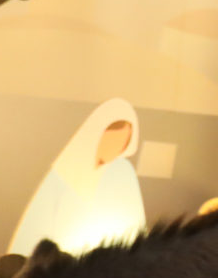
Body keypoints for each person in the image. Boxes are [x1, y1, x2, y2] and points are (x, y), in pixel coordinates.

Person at [9, 97, 146, 254]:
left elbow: (135, 227)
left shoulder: (122, 171)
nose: (116, 147)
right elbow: (36, 224)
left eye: (122, 142)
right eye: (113, 140)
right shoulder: (65, 170)